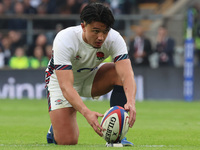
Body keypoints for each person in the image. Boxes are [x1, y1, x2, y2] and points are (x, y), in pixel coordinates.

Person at [45, 2, 137, 147]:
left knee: (118, 73)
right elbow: (66, 86)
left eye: (105, 31)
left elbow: (127, 75)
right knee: (68, 141)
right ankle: (55, 129)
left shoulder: (115, 38)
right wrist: (86, 112)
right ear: (83, 26)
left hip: (91, 77)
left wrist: (131, 101)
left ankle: (119, 136)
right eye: (95, 31)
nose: (101, 37)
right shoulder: (65, 39)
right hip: (61, 83)